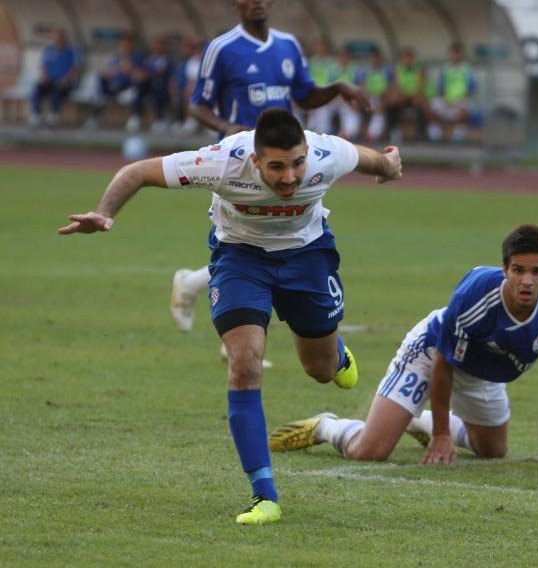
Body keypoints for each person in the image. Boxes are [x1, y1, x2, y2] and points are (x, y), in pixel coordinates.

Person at [58, 108, 404, 524]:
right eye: (276, 167)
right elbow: (137, 172)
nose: (290, 177)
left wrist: (389, 165)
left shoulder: (328, 154)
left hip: (308, 258)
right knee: (244, 364)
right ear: (256, 161)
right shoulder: (222, 161)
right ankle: (264, 496)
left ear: (307, 152)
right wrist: (105, 211)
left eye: (297, 164)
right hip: (241, 261)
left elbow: (373, 160)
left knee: (321, 370)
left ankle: (336, 355)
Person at [268, 224, 538, 475]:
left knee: (493, 450)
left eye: (537, 272)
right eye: (518, 270)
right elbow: (443, 364)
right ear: (505, 268)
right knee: (370, 451)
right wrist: (441, 436)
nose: (527, 281)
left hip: (485, 371)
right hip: (431, 354)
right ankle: (328, 426)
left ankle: (415, 420)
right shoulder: (476, 297)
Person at [170, 0, 370, 343]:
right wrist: (226, 126)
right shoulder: (221, 48)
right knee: (250, 242)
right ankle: (238, 338)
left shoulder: (288, 45)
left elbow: (305, 97)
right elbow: (197, 104)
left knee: (268, 242)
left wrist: (337, 88)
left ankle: (192, 286)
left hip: (285, 165)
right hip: (241, 166)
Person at [84, 31, 145, 130]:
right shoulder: (116, 58)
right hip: (112, 87)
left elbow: (141, 76)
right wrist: (117, 69)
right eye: (123, 44)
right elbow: (106, 72)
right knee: (100, 86)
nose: (125, 47)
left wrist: (131, 69)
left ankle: (135, 118)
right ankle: (94, 117)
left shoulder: (137, 58)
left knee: (137, 90)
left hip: (127, 88)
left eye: (128, 44)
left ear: (132, 45)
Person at [28, 27, 80, 127]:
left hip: (65, 83)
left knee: (57, 89)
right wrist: (44, 77)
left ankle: (53, 115)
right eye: (55, 37)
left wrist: (66, 79)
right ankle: (36, 115)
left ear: (64, 38)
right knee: (37, 88)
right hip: (50, 80)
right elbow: (43, 65)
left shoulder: (71, 51)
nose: (57, 39)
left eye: (59, 37)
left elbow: (75, 68)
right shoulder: (49, 50)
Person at [427, 42, 477, 143]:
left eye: (457, 53)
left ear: (461, 55)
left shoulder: (467, 69)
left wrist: (459, 98)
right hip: (447, 98)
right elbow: (440, 87)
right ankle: (435, 132)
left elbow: (472, 88)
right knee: (432, 105)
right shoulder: (445, 68)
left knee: (464, 107)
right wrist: (446, 98)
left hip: (461, 98)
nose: (455, 56)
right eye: (452, 53)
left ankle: (459, 133)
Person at [128, 36, 175, 134]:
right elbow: (140, 69)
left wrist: (145, 74)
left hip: (162, 86)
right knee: (139, 89)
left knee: (156, 92)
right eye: (155, 45)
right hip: (147, 85)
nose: (157, 47)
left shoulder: (167, 59)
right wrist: (139, 74)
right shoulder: (148, 58)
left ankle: (157, 121)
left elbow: (160, 71)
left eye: (159, 45)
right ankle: (136, 117)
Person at [385, 46, 429, 143]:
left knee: (421, 105)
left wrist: (412, 96)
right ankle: (393, 131)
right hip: (403, 96)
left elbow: (421, 86)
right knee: (391, 104)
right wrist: (399, 96)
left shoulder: (419, 68)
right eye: (405, 57)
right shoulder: (398, 68)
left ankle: (421, 133)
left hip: (414, 97)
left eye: (410, 56)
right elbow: (395, 86)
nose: (408, 59)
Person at [355, 46, 392, 142]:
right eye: (372, 58)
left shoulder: (386, 71)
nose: (375, 60)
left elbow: (390, 87)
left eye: (377, 58)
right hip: (368, 96)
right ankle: (357, 131)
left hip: (381, 97)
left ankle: (372, 133)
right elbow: (361, 86)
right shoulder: (364, 71)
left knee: (379, 105)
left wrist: (383, 96)